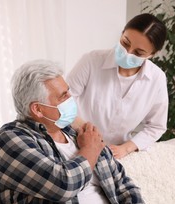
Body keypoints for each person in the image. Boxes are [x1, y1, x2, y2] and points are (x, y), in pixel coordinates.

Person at [0, 59, 162, 204]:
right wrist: (90, 149)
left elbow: (127, 189)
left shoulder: (77, 134)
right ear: (38, 109)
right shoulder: (11, 139)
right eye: (63, 96)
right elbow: (62, 184)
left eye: (68, 91)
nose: (71, 98)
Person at [66, 13, 168, 159]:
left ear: (152, 54)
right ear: (121, 34)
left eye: (138, 53)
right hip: (77, 142)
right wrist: (88, 136)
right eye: (125, 43)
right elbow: (64, 101)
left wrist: (126, 148)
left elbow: (156, 126)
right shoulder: (92, 61)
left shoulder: (156, 79)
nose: (127, 53)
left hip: (117, 152)